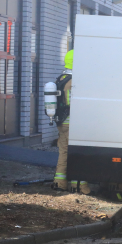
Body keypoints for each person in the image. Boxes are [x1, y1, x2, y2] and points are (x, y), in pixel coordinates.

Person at [53, 50, 74, 191]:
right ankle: (78, 184)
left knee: (64, 151)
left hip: (61, 121)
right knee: (74, 153)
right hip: (72, 122)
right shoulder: (74, 81)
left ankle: (60, 182)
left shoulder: (62, 78)